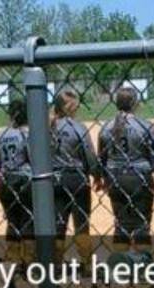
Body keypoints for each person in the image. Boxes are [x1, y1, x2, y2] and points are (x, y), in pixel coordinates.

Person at [98, 85, 154, 251]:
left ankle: (121, 267)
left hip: (116, 177)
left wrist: (105, 180)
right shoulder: (145, 126)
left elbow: (102, 158)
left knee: (121, 225)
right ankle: (142, 268)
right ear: (135, 103)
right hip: (140, 177)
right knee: (142, 224)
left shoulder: (106, 127)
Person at [51, 88, 99, 262]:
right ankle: (86, 263)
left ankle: (56, 263)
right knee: (81, 226)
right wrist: (97, 175)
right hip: (77, 178)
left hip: (54, 179)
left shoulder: (47, 127)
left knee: (58, 226)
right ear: (71, 107)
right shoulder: (78, 127)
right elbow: (90, 156)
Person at [0, 98, 35, 263]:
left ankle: (13, 260)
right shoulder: (28, 133)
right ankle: (29, 260)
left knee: (12, 220)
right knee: (28, 219)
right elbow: (33, 158)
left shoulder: (0, 135)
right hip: (25, 179)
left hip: (5, 180)